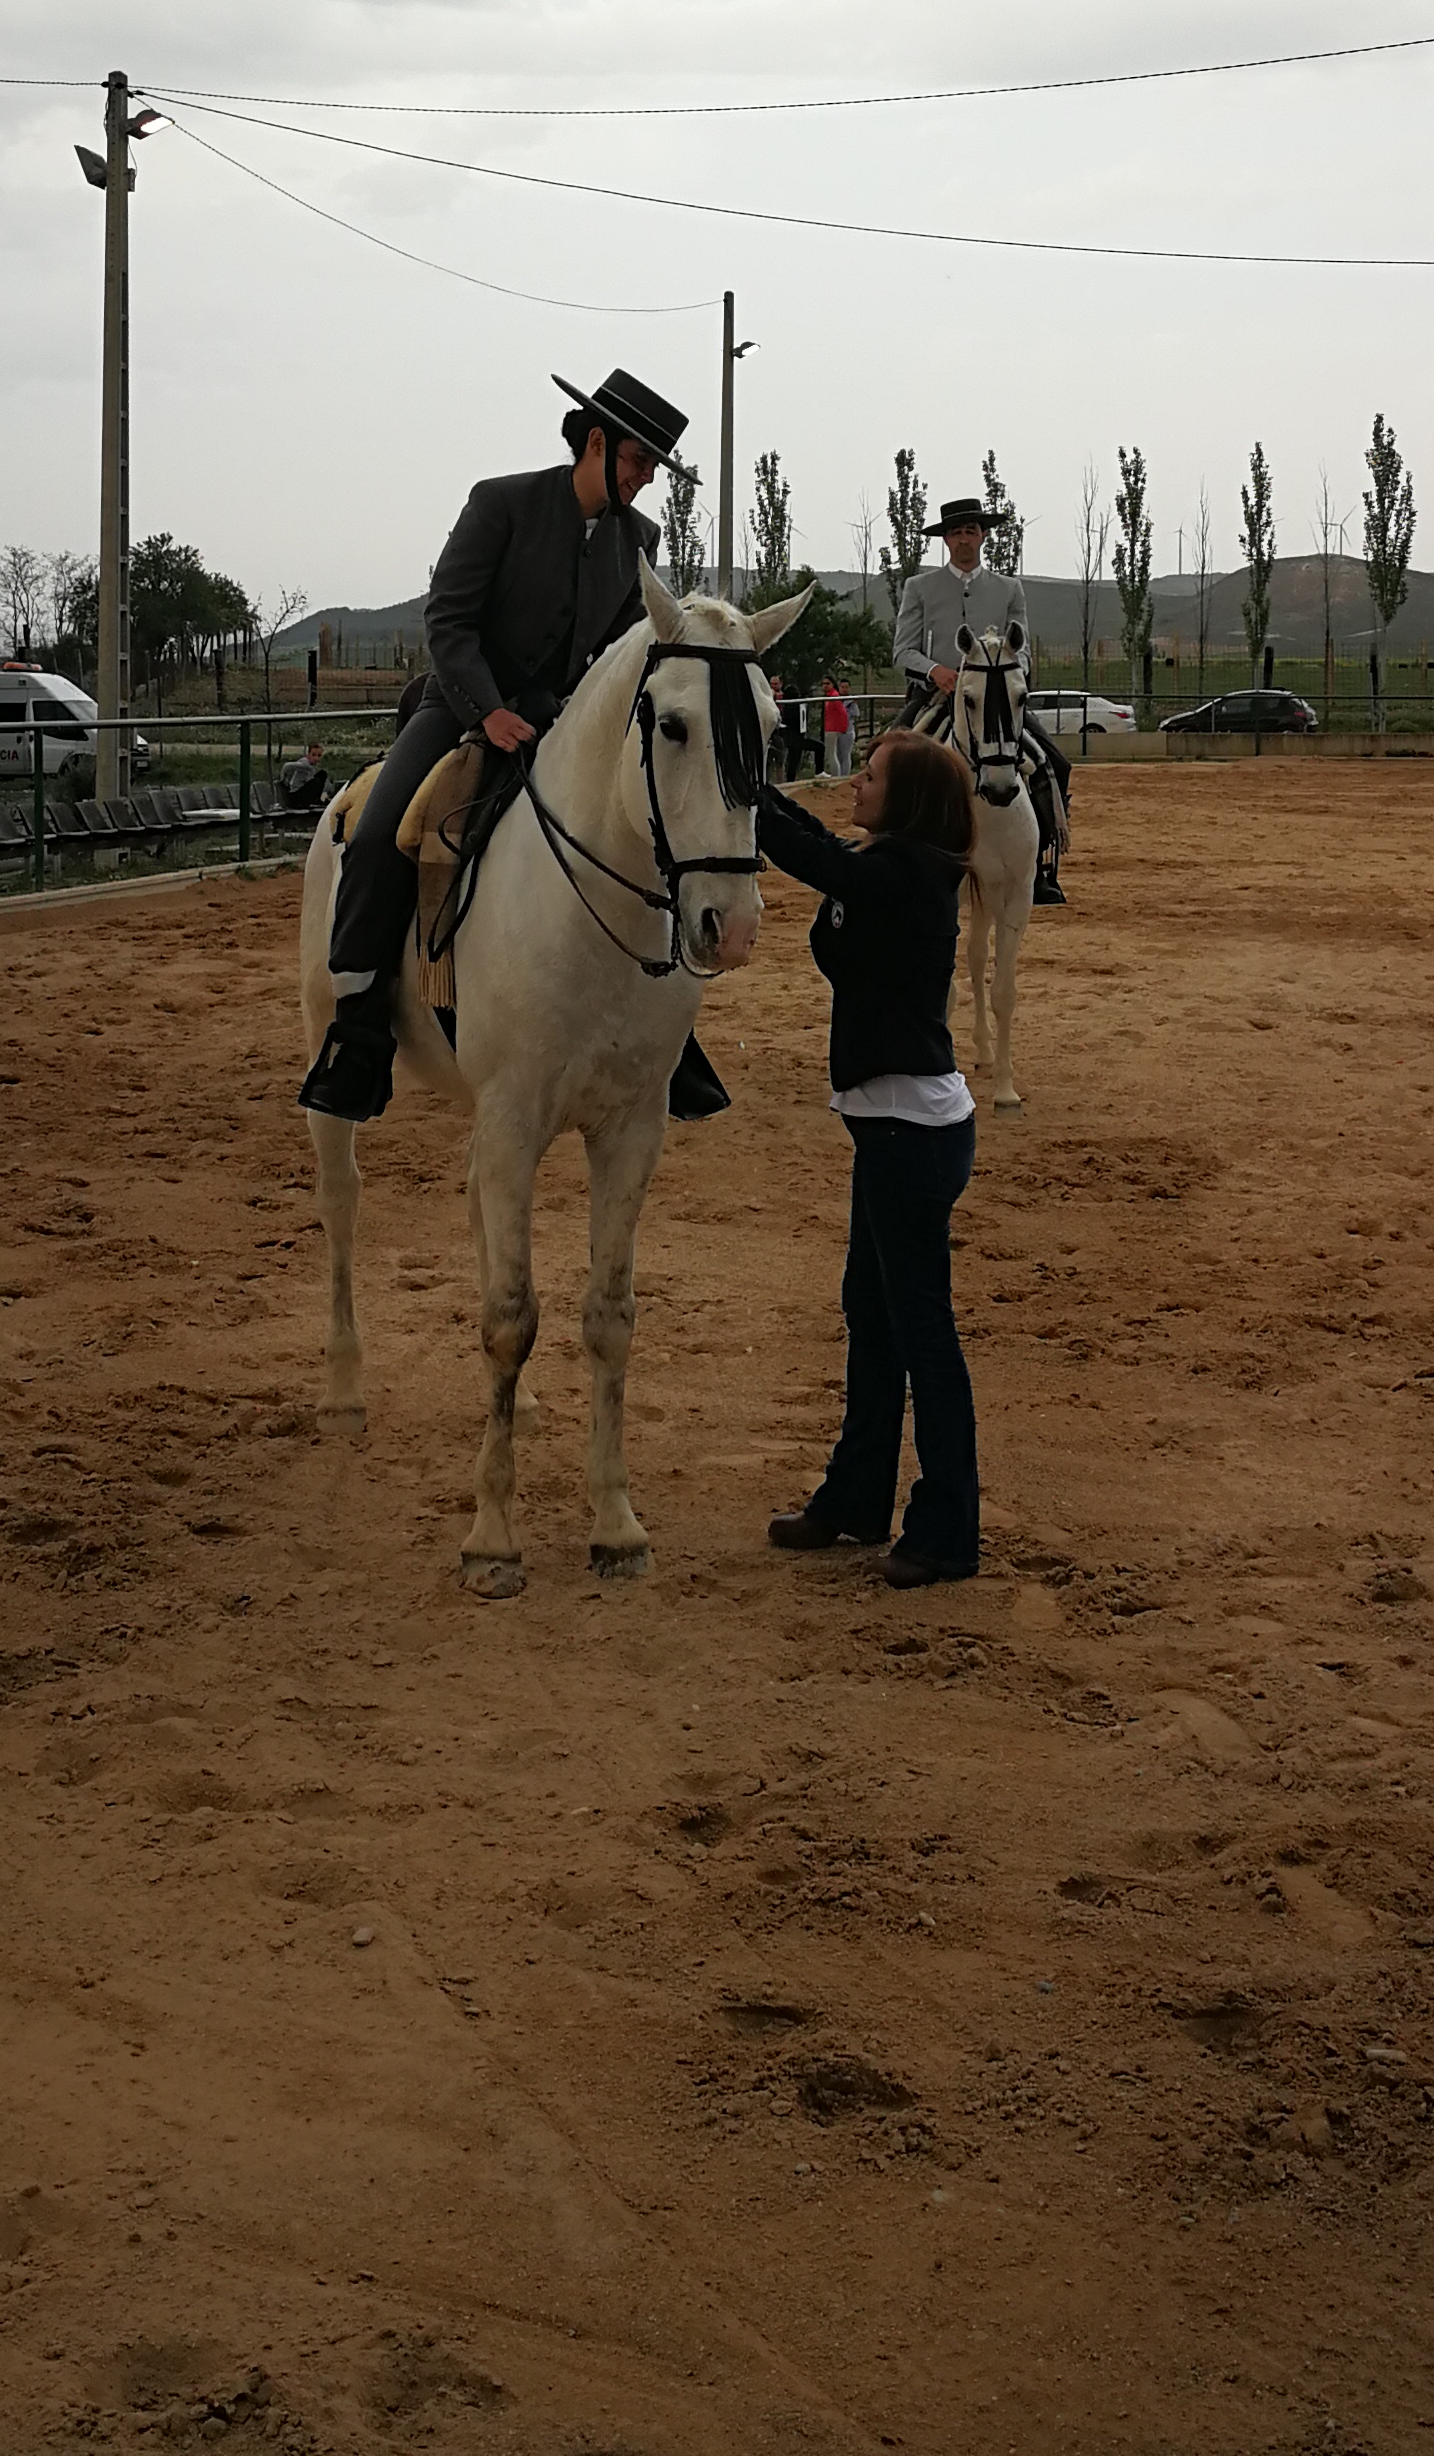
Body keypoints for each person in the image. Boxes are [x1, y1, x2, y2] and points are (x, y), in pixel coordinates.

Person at [300, 364, 730, 1120]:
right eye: (637, 462)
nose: (644, 481)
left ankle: (670, 1034)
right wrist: (491, 711)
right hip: (461, 706)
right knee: (375, 836)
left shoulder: (640, 537)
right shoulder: (500, 504)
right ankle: (360, 1029)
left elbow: (621, 648)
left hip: (561, 716)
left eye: (652, 469)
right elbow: (448, 623)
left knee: (647, 835)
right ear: (595, 442)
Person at [756, 729, 981, 1587]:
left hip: (907, 1134)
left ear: (909, 798)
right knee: (874, 1312)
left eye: (873, 774)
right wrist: (756, 789)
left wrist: (745, 797)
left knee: (920, 1328)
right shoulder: (897, 866)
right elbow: (823, 846)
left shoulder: (903, 876)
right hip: (897, 1127)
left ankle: (948, 1531)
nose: (856, 782)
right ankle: (856, 1496)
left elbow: (819, 861)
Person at [893, 494, 1067, 904]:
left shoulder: (1009, 588)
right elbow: (903, 650)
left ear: (983, 535)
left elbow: (1021, 648)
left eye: (971, 530)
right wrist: (937, 670)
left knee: (1054, 762)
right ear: (947, 540)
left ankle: (1041, 866)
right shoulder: (919, 587)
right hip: (938, 693)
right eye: (957, 532)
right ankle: (891, 856)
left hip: (997, 699)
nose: (964, 539)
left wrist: (1005, 671)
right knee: (889, 758)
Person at [823, 675, 855, 777]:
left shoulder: (848, 700)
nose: (844, 689)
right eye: (842, 687)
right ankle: (840, 775)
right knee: (838, 755)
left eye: (846, 687)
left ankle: (843, 776)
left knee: (844, 755)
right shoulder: (833, 697)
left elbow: (845, 714)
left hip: (845, 730)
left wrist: (844, 727)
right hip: (837, 729)